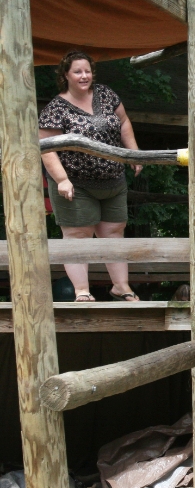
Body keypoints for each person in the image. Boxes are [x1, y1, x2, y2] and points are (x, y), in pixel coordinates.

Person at [38, 51, 141, 302]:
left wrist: (134, 153)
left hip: (113, 181)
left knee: (114, 231)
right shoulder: (55, 108)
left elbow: (124, 121)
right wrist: (62, 179)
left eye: (87, 71)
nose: (84, 76)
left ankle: (121, 287)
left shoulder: (106, 94)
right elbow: (46, 148)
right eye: (77, 71)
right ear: (66, 75)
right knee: (77, 235)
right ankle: (82, 291)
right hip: (76, 184)